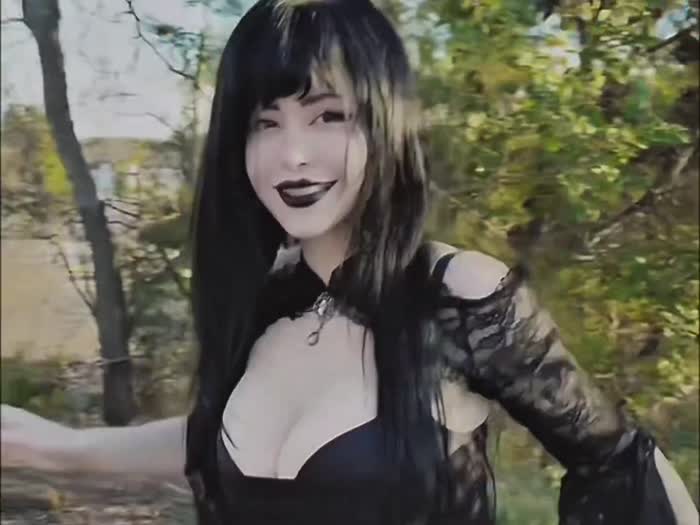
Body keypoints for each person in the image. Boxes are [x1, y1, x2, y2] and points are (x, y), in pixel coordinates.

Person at [2, 1, 698, 524]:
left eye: (328, 116)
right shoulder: (263, 300)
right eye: (264, 124)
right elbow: (212, 442)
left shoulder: (457, 295)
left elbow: (618, 464)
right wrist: (58, 447)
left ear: (384, 125)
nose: (292, 155)